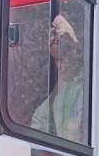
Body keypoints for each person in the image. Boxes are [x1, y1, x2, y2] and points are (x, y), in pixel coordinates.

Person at [29, 13, 86, 142]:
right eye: (56, 60)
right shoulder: (61, 87)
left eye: (64, 60)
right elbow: (39, 118)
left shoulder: (90, 86)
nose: (60, 67)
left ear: (76, 56)